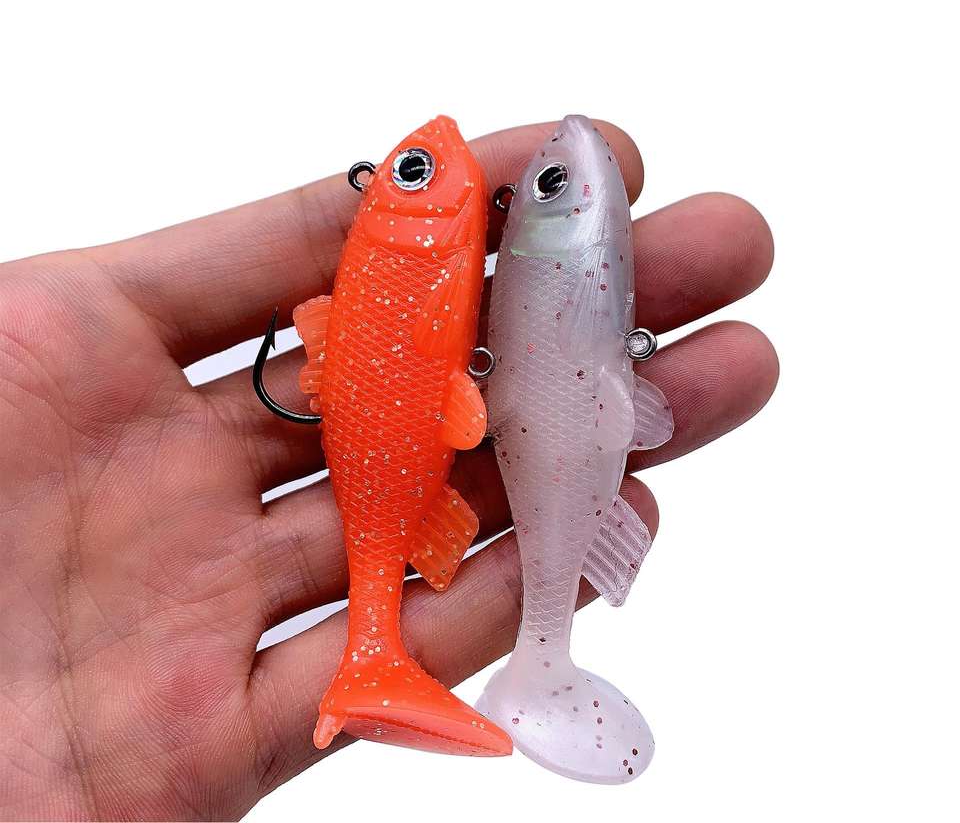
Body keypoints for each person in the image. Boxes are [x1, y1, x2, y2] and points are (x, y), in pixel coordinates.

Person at [0, 119, 778, 821]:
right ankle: (376, 665)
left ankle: (493, 666)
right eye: (413, 173)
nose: (442, 167)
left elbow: (471, 399)